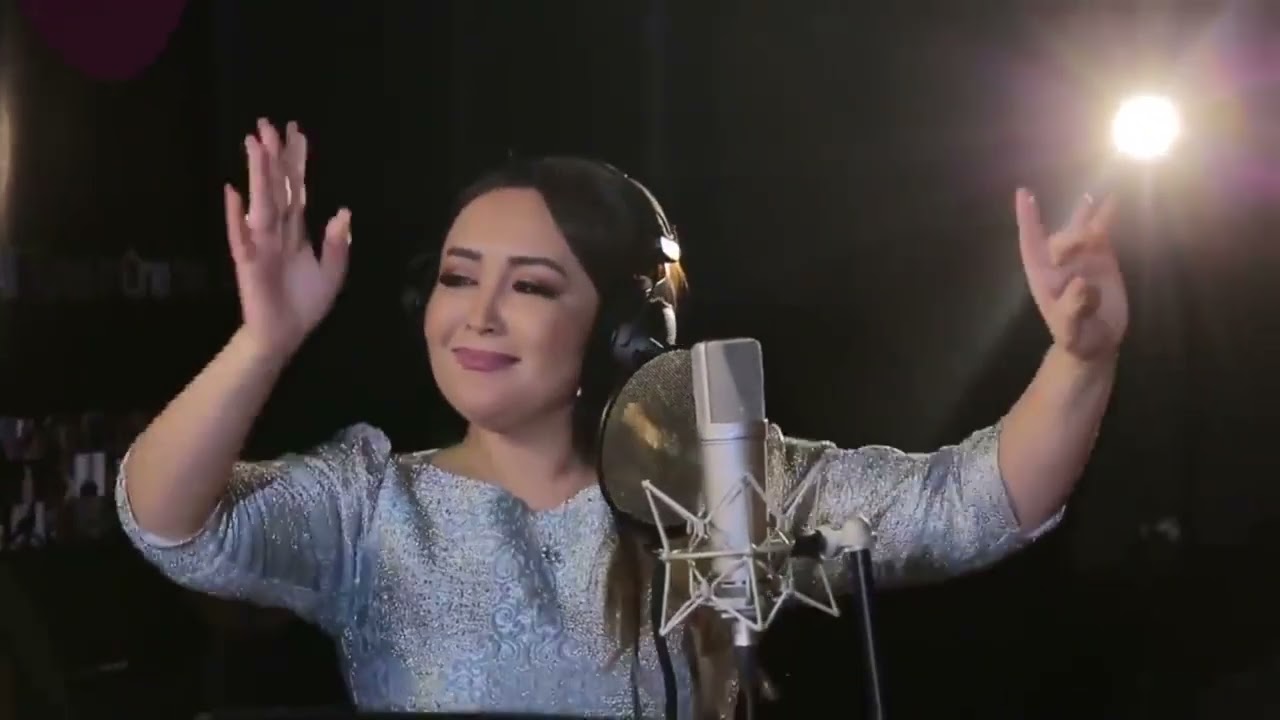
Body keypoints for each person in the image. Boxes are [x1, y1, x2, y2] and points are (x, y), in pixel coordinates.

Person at [116, 118, 1127, 718]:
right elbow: (166, 519)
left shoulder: (723, 487)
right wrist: (264, 341)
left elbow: (971, 502)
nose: (477, 314)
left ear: (620, 333)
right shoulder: (369, 505)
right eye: (459, 278)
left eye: (530, 286)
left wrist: (1081, 358)